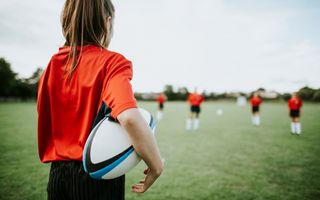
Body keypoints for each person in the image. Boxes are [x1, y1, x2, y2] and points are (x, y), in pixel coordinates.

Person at [37, 0, 163, 199]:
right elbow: (129, 117)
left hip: (57, 175)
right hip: (97, 176)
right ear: (107, 21)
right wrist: (156, 165)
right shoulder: (112, 63)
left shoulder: (52, 65)